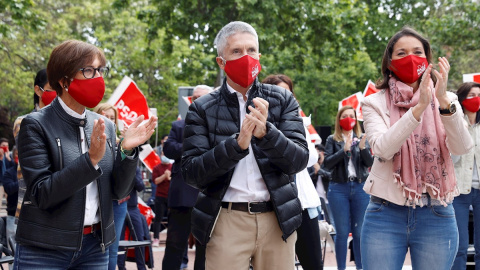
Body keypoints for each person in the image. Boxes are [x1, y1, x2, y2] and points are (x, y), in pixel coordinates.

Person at [14, 39, 157, 269]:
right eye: (89, 70)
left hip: (94, 247)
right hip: (45, 248)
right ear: (63, 79)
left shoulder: (105, 125)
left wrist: (127, 151)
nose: (98, 78)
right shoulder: (35, 124)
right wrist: (90, 160)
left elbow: (119, 191)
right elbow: (42, 193)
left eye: (101, 70)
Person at [181, 21, 309, 270]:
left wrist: (267, 134)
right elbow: (192, 172)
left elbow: (298, 160)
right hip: (227, 220)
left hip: (277, 219)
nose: (246, 57)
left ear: (259, 56)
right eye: (236, 52)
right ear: (221, 62)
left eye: (251, 50)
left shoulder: (282, 99)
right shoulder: (202, 108)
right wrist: (236, 146)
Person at [360, 27, 473, 270]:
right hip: (385, 213)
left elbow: (462, 147)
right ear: (390, 62)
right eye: (401, 53)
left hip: (437, 213)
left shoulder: (449, 100)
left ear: (428, 60)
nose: (410, 58)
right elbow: (382, 149)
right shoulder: (373, 102)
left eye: (417, 52)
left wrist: (442, 102)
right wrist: (418, 108)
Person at [262, 74, 323, 270]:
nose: (286, 98)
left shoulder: (297, 121)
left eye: (289, 93)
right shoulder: (258, 124)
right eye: (280, 93)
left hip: (303, 203)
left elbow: (311, 157)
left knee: (313, 262)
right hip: (272, 206)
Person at [162, 85, 211, 270]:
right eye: (194, 97)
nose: (196, 100)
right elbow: (168, 149)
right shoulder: (179, 125)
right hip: (182, 195)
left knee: (205, 248)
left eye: (201, 97)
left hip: (209, 196)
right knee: (175, 245)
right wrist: (194, 146)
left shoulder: (218, 125)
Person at [324, 105, 373, 270]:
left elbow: (370, 164)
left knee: (359, 233)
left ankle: (361, 267)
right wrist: (343, 151)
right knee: (342, 233)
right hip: (339, 188)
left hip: (360, 187)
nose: (348, 119)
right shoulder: (332, 139)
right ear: (339, 119)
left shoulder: (361, 138)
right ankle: (341, 268)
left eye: (351, 116)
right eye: (344, 116)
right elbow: (327, 164)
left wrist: (363, 149)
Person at [93, 103, 129, 270]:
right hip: (97, 201)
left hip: (118, 203)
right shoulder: (89, 141)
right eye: (104, 116)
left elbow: (129, 175)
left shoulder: (123, 144)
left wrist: (126, 149)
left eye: (112, 118)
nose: (108, 120)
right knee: (94, 248)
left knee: (112, 250)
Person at [451, 82, 480, 269]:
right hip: (459, 191)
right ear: (461, 99)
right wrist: (459, 129)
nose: (476, 99)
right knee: (459, 247)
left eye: (478, 95)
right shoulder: (454, 123)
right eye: (471, 95)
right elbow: (451, 159)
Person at [117, 167, 151, 270]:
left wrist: (131, 173)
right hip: (119, 206)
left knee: (139, 239)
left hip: (133, 208)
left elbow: (140, 187)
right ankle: (121, 267)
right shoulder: (116, 166)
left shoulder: (135, 169)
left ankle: (141, 268)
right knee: (119, 240)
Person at [151, 152, 172, 247]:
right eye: (163, 154)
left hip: (171, 196)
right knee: (158, 218)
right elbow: (155, 181)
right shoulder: (156, 168)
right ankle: (156, 238)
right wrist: (164, 176)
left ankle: (171, 238)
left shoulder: (173, 167)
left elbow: (175, 179)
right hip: (160, 196)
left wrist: (168, 177)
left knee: (172, 218)